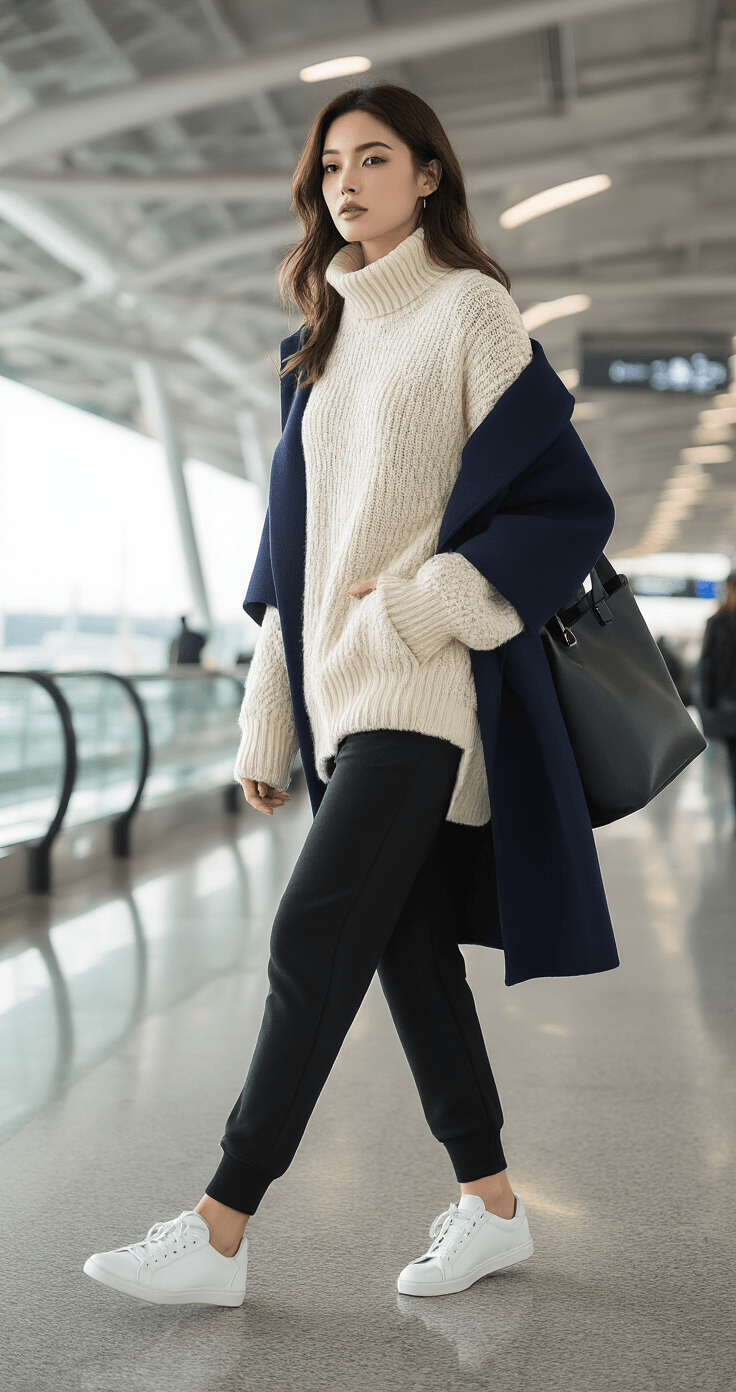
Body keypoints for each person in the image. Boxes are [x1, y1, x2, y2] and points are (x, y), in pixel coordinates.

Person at [83, 85, 618, 1309]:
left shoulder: (469, 309)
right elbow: (299, 564)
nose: (345, 181)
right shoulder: (319, 345)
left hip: (420, 683)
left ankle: (219, 1229)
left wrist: (426, 600)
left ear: (429, 176)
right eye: (330, 164)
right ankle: (490, 1207)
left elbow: (565, 504)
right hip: (339, 695)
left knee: (311, 936)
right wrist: (269, 716)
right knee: (407, 955)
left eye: (374, 158)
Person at [699, 571, 736, 812]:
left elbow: (708, 666)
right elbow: (708, 667)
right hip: (729, 705)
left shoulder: (719, 622)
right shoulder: (717, 622)